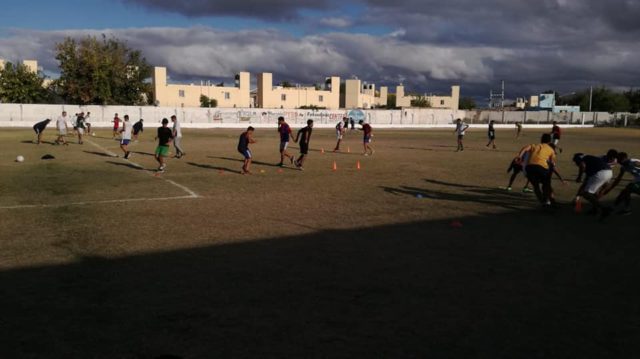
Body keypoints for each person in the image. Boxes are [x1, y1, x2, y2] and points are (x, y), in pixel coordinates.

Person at [573, 150, 619, 218]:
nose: (576, 164)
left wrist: (579, 177)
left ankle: (604, 208)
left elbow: (582, 165)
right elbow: (588, 177)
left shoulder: (578, 158)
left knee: (586, 193)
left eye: (575, 162)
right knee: (593, 193)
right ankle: (595, 209)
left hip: (601, 173)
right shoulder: (589, 159)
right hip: (609, 173)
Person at [517, 133, 557, 207]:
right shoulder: (551, 149)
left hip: (530, 168)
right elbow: (551, 163)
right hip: (542, 168)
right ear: (549, 141)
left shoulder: (535, 145)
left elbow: (525, 148)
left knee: (536, 186)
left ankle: (543, 203)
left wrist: (519, 157)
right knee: (546, 185)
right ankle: (551, 201)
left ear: (541, 139)